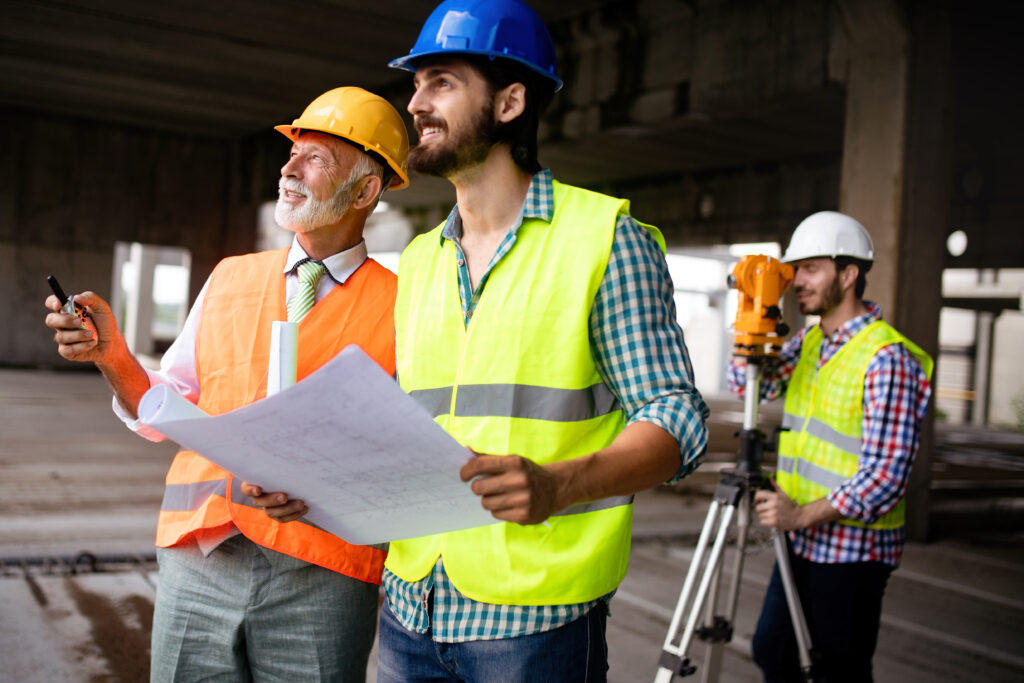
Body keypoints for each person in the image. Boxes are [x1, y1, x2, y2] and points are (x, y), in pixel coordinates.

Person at [265, 1, 705, 680]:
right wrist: (315, 484)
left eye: (441, 82)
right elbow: (410, 429)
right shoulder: (420, 260)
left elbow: (677, 416)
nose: (416, 104)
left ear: (510, 102)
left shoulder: (605, 240)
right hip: (411, 608)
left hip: (535, 621)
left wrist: (560, 484)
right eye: (416, 84)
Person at [44, 86, 409, 682]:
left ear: (366, 191)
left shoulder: (405, 304)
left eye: (315, 158)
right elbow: (165, 406)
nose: (289, 168)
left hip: (323, 573)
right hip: (201, 557)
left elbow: (408, 449)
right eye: (292, 154)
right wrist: (112, 356)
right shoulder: (230, 276)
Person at [728, 211, 933, 682]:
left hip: (851, 553)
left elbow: (886, 477)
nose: (797, 281)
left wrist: (801, 515)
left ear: (848, 274)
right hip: (800, 541)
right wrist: (753, 311)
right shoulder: (810, 342)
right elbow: (748, 385)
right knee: (773, 652)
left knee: (837, 672)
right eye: (794, 269)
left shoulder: (886, 359)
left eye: (811, 269)